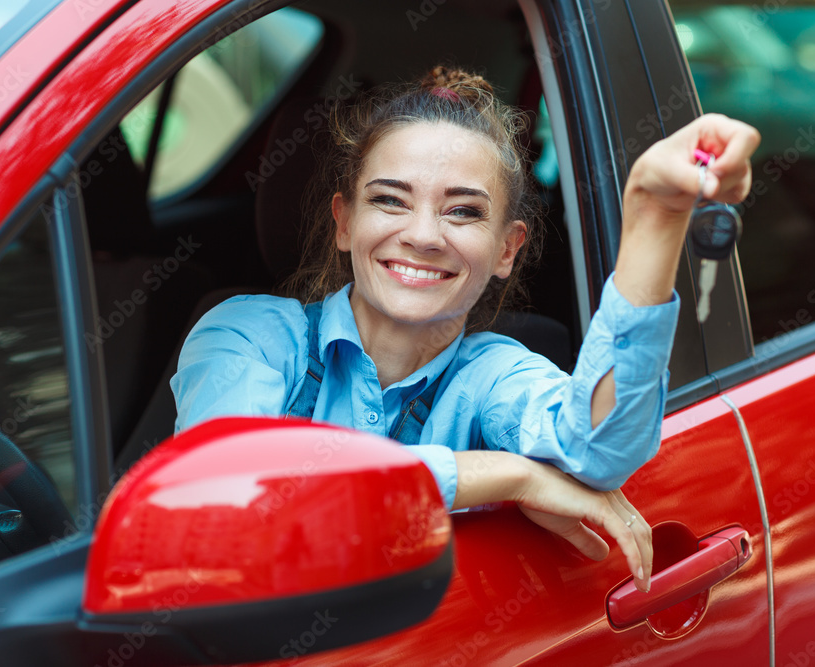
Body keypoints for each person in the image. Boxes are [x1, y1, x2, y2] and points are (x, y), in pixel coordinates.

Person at [170, 66, 760, 593]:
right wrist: (510, 476)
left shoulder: (492, 372)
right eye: (390, 201)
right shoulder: (245, 333)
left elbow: (598, 449)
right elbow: (231, 495)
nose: (424, 235)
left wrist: (654, 218)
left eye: (463, 211)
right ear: (344, 222)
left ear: (507, 249)